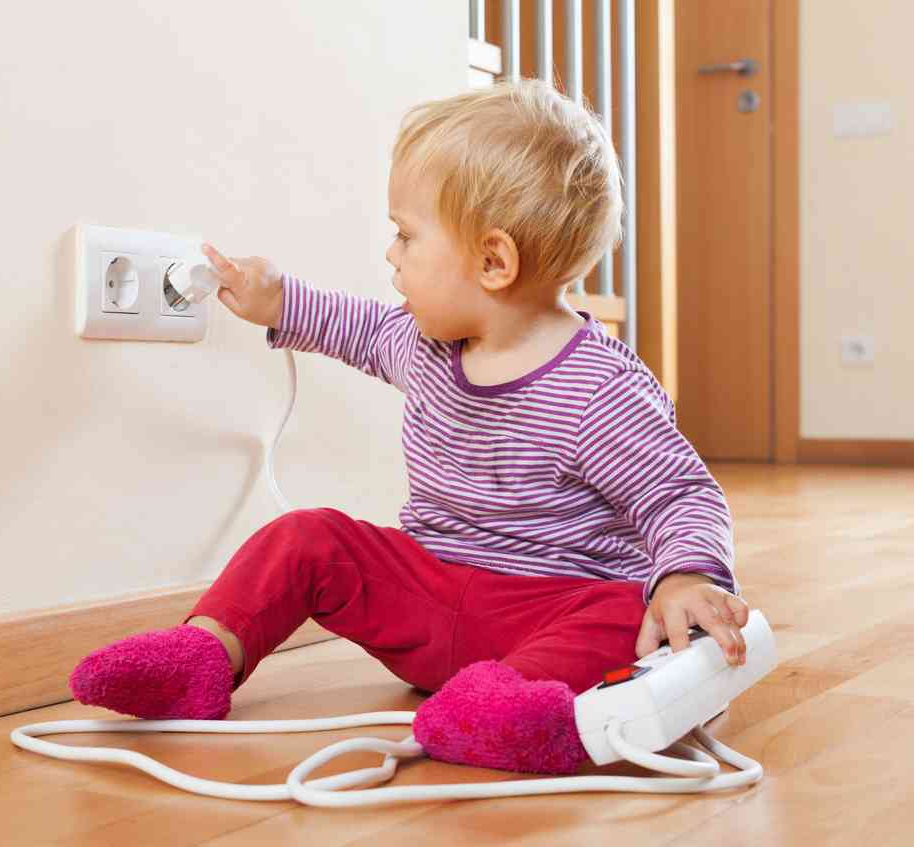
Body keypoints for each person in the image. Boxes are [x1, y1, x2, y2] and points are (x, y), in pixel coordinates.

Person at [70, 77, 750, 776]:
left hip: (550, 610)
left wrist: (685, 575)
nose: (391, 255)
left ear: (493, 261)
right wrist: (277, 300)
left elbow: (679, 495)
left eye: (406, 235)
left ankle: (511, 709)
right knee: (308, 536)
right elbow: (356, 327)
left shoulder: (599, 389)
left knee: (622, 615)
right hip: (431, 595)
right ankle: (204, 654)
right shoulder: (425, 344)